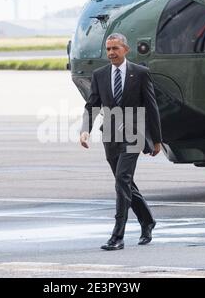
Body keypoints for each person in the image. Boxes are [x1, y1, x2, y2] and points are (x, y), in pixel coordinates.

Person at [80, 33, 163, 251]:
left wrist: (157, 140)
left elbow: (152, 107)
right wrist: (85, 130)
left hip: (134, 134)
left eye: (115, 48)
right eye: (108, 49)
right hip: (110, 134)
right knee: (124, 182)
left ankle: (117, 235)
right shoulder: (100, 74)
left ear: (125, 49)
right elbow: (92, 105)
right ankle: (147, 221)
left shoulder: (140, 73)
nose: (111, 53)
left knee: (122, 179)